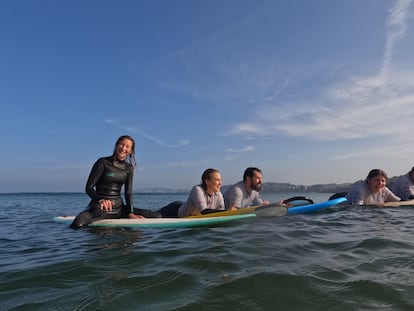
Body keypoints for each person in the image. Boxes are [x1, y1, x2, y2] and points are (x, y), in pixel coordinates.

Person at [70, 135, 145, 229]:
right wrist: (100, 200)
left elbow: (128, 192)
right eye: (122, 144)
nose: (123, 148)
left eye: (127, 146)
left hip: (119, 209)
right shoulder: (102, 162)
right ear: (116, 145)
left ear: (131, 151)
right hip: (100, 207)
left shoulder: (129, 168)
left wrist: (131, 213)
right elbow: (89, 188)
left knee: (155, 215)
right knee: (78, 223)